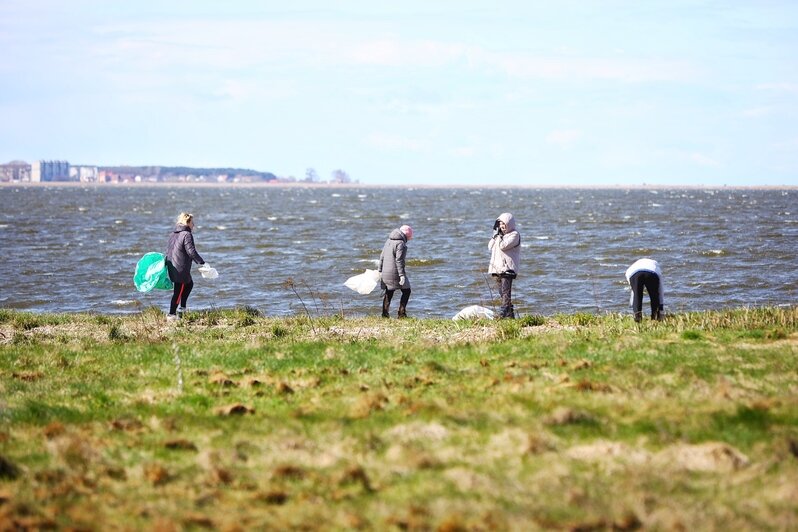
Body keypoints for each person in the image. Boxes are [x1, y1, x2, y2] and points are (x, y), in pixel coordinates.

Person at [165, 212, 207, 321]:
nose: (194, 225)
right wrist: (201, 262)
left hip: (172, 266)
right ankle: (172, 315)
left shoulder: (173, 234)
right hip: (180, 267)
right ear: (187, 222)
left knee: (188, 284)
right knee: (179, 291)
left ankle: (181, 310)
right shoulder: (187, 234)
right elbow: (191, 251)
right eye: (192, 222)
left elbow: (168, 250)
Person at [488, 213, 521, 319]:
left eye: (504, 224)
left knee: (506, 292)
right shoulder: (498, 236)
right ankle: (510, 315)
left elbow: (503, 246)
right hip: (497, 268)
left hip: (507, 268)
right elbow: (490, 247)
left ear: (509, 224)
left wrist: (500, 236)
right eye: (500, 224)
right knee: (502, 292)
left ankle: (502, 314)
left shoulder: (514, 235)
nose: (502, 226)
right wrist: (494, 236)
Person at [379, 224, 413, 318]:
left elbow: (382, 256)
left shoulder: (388, 241)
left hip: (385, 272)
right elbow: (399, 260)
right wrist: (402, 275)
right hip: (395, 273)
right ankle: (401, 314)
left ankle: (384, 314)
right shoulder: (401, 243)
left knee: (389, 292)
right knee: (407, 291)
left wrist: (380, 270)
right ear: (407, 235)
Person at [625, 258, 664, 322]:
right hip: (652, 273)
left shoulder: (632, 267)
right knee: (654, 295)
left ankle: (637, 319)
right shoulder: (656, 266)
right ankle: (656, 318)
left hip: (634, 273)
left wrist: (632, 304)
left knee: (637, 296)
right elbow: (660, 289)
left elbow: (634, 291)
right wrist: (661, 307)